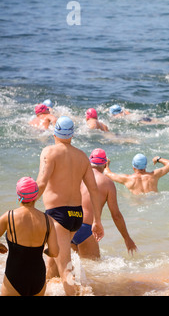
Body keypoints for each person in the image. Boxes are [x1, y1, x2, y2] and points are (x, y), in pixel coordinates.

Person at [35, 116, 104, 296]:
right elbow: (93, 189)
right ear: (72, 135)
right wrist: (97, 220)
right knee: (51, 261)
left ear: (54, 132)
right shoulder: (81, 156)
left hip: (57, 215)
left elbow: (41, 183)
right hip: (76, 215)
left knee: (65, 266)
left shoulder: (49, 152)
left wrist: (27, 206)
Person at [73, 148, 137, 259]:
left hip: (69, 224)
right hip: (87, 228)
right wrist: (127, 238)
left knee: (71, 267)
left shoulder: (77, 176)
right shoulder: (107, 183)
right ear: (105, 164)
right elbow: (116, 215)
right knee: (93, 269)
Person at [0, 177, 59, 296]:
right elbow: (54, 252)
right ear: (36, 196)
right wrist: (43, 251)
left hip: (14, 275)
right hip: (38, 277)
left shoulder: (10, 216)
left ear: (18, 195)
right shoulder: (48, 220)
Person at [104, 153, 169, 195]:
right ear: (145, 166)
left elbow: (107, 174)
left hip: (138, 207)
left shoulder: (127, 179)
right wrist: (158, 158)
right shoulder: (154, 175)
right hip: (154, 203)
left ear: (133, 166)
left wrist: (106, 164)